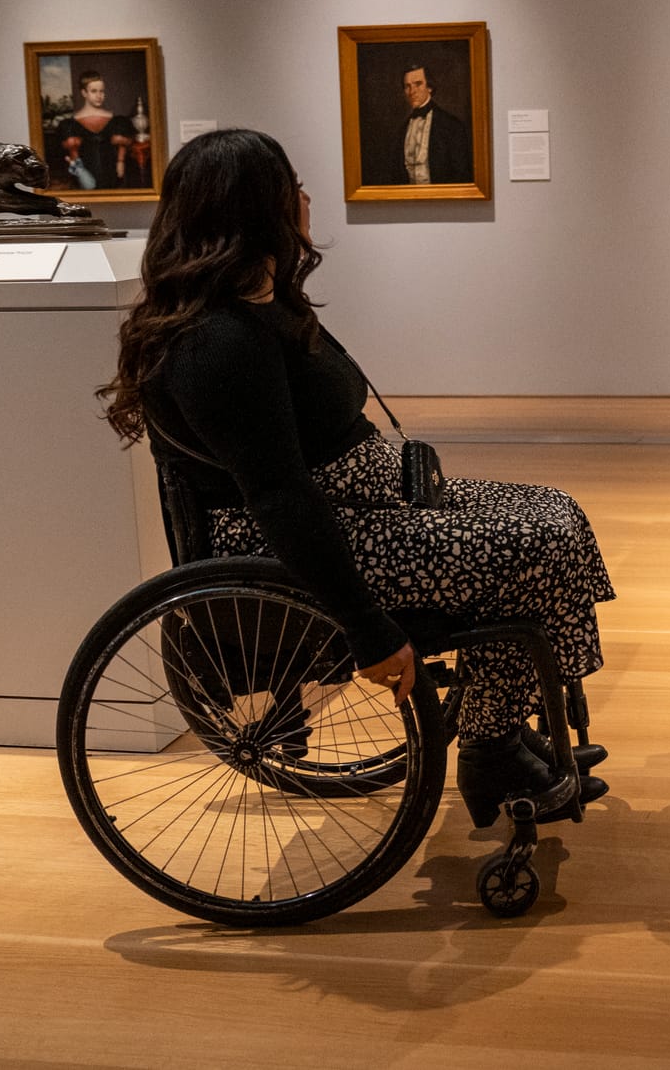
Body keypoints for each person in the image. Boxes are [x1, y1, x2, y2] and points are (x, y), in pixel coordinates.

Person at [98, 128, 610, 822]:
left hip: (369, 504)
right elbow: (281, 498)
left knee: (556, 514)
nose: (305, 199)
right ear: (254, 209)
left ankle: (505, 716)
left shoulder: (257, 304)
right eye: (290, 187)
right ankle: (491, 750)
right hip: (322, 534)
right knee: (534, 549)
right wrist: (367, 628)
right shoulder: (218, 343)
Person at [56, 70, 142, 190]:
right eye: (94, 91)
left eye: (101, 91)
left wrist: (120, 162)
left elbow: (123, 147)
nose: (99, 95)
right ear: (84, 93)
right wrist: (80, 173)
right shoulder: (69, 125)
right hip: (84, 181)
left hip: (113, 178)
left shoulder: (118, 121)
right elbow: (70, 156)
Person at [397, 65, 473, 185]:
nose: (412, 92)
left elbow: (461, 174)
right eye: (407, 86)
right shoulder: (402, 130)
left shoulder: (452, 126)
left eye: (418, 84)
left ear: (430, 87)